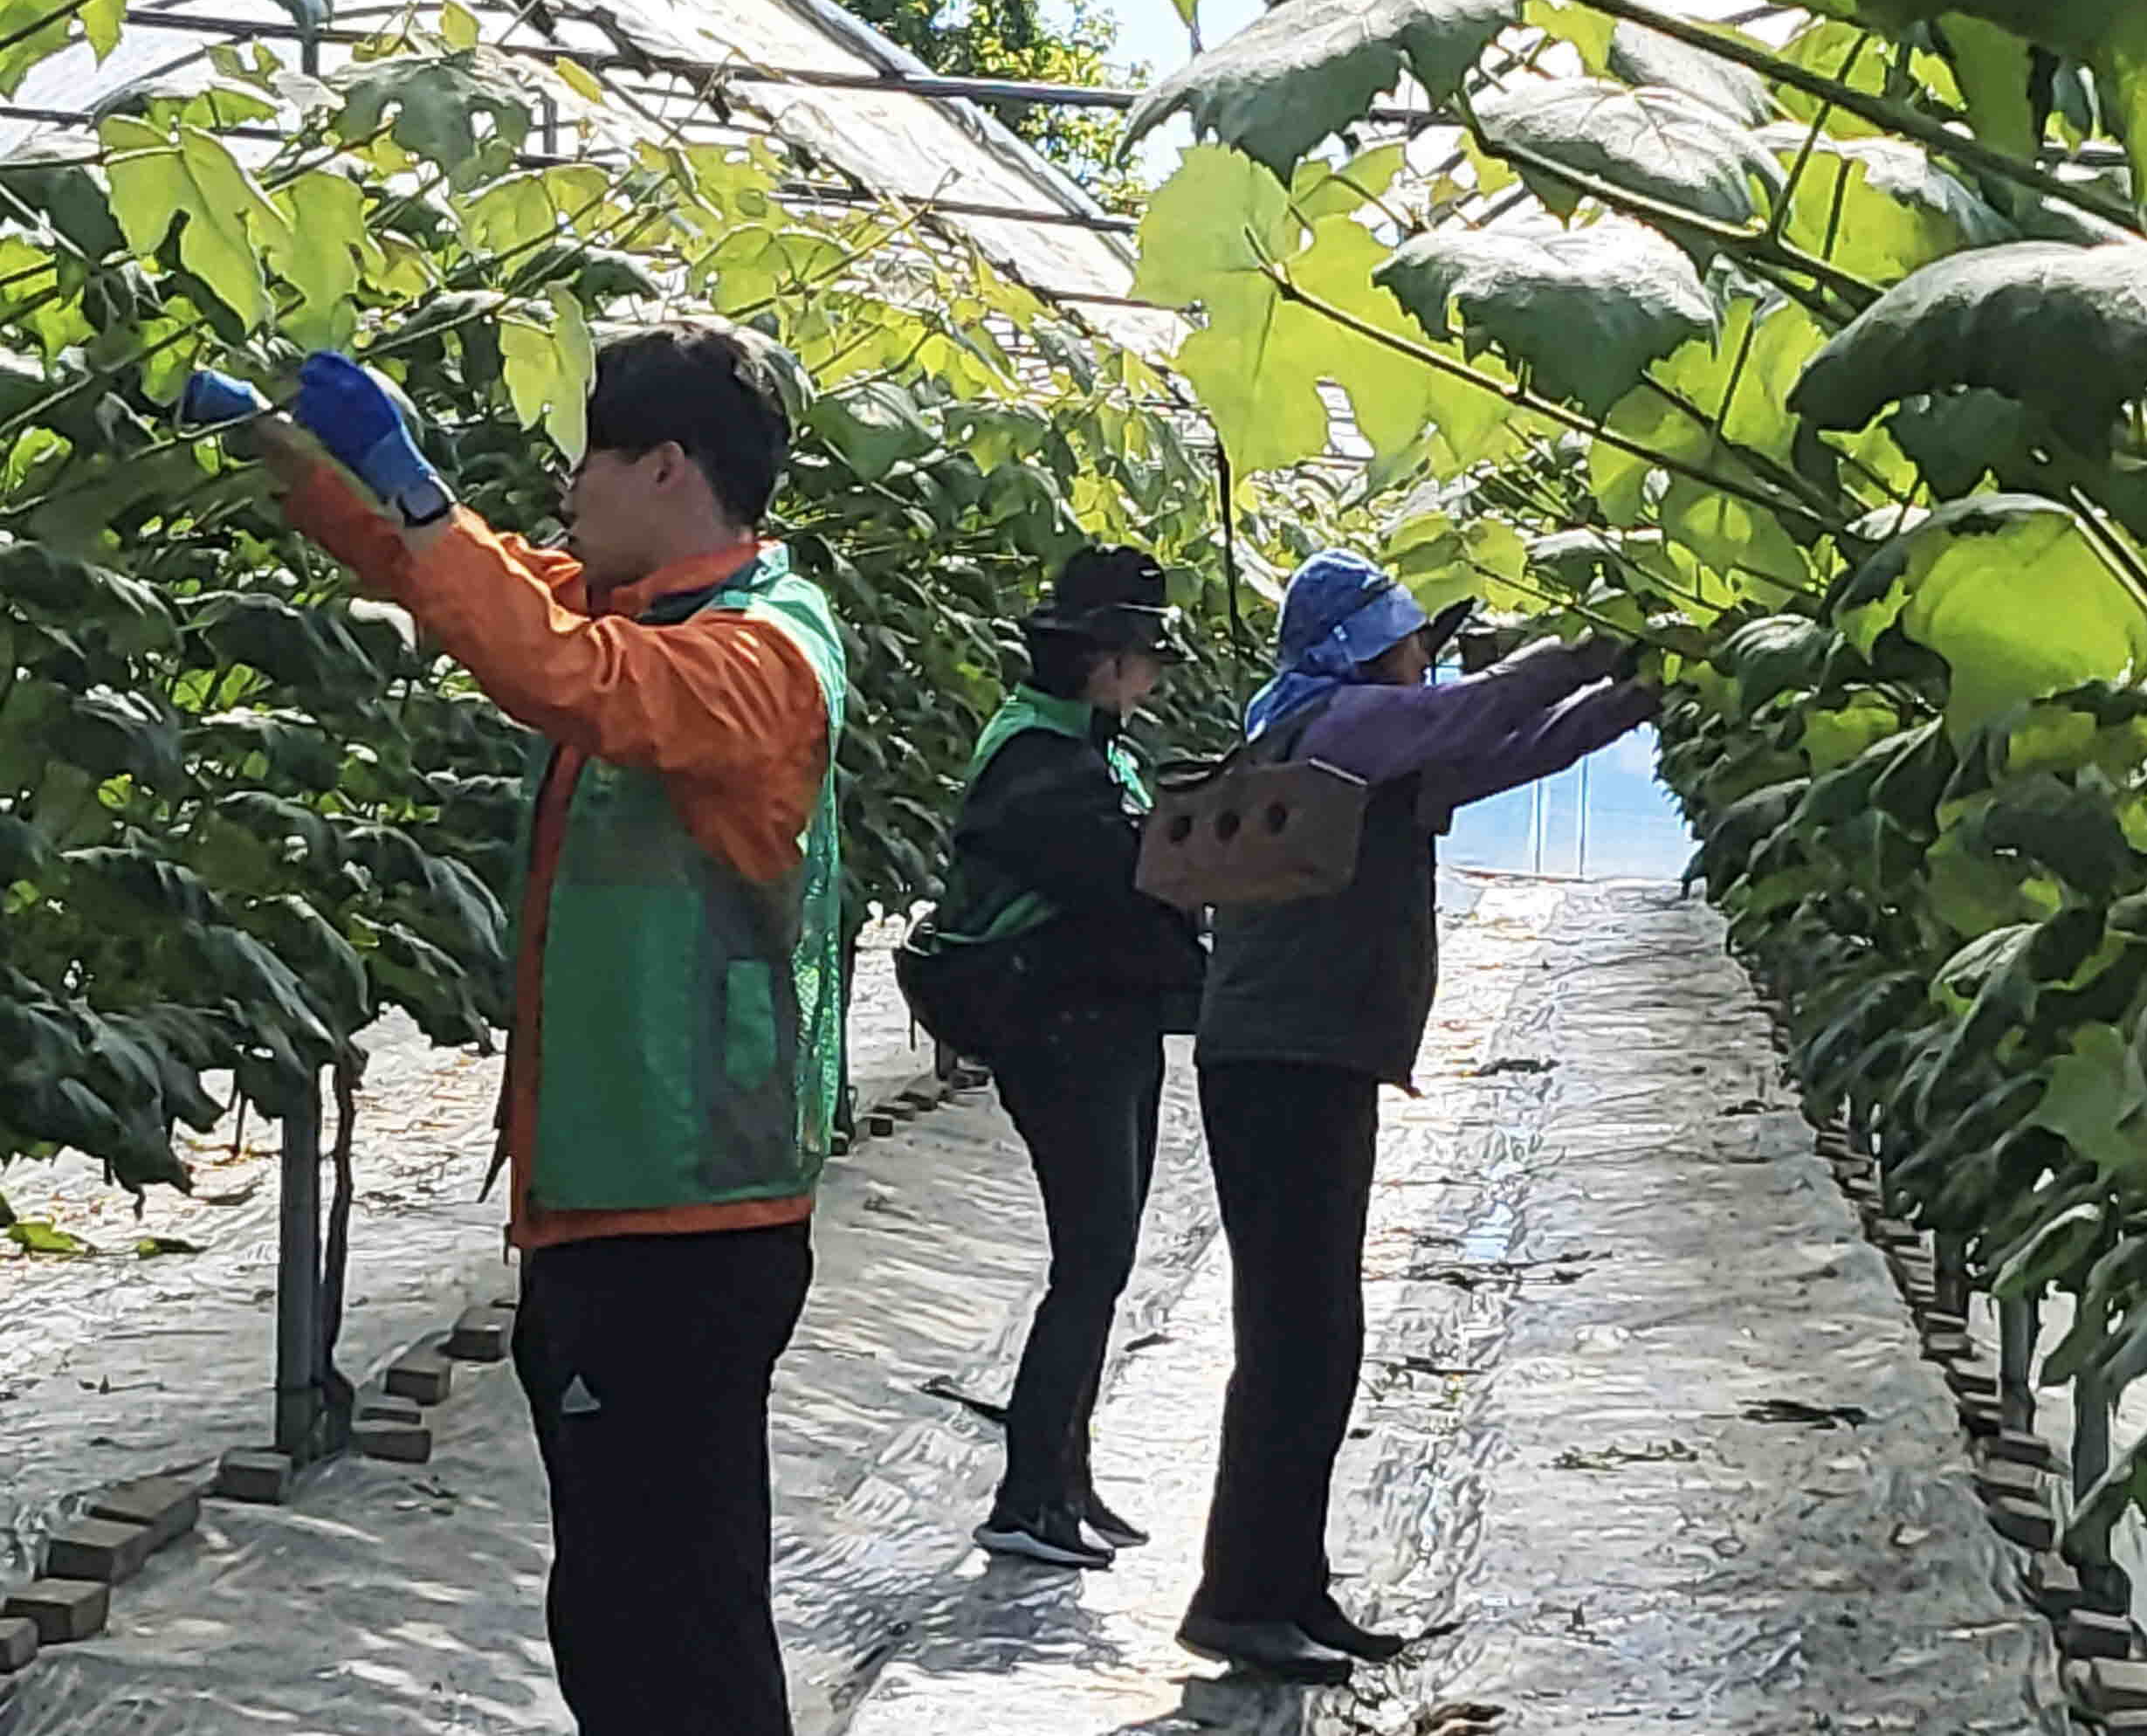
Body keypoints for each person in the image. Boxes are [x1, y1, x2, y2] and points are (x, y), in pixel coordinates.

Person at [221, 327, 843, 1736]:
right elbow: (481, 598)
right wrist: (304, 471)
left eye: (587, 456)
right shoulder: (667, 607)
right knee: (627, 1611)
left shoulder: (762, 658)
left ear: (666, 467)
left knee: (673, 1634)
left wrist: (421, 491)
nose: (563, 485)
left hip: (686, 1225)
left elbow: (569, 675)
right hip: (622, 1209)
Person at [1177, 549, 1656, 1684]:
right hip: (1285, 1062)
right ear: (1367, 650)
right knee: (1299, 1340)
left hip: (1303, 1059)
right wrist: (1596, 645)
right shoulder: (1343, 727)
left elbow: (1522, 746)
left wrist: (1640, 696)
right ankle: (1241, 1594)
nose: (1425, 655)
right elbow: (1485, 709)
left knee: (1312, 1339)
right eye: (1412, 640)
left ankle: (1287, 1582)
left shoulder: (1346, 743)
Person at [908, 547, 1205, 1569]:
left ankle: (1066, 1476)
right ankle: (1028, 1495)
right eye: (1145, 656)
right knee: (1089, 1263)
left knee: (1108, 1258)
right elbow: (1125, 888)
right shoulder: (1040, 765)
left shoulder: (1089, 745)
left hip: (1104, 1028)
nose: (1157, 675)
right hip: (1061, 1031)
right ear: (1103, 662)